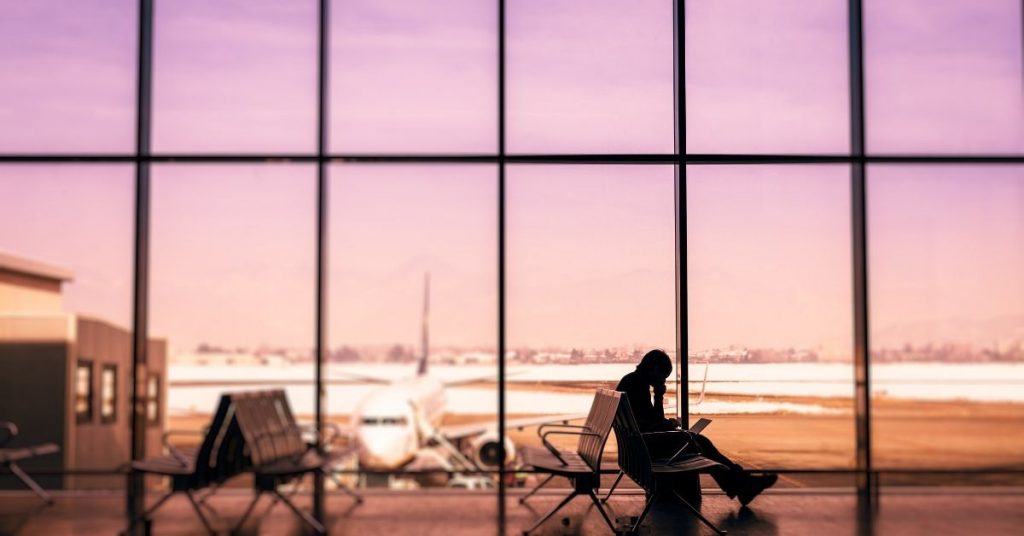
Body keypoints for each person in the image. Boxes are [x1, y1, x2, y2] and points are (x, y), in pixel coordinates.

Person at [616, 349, 777, 506]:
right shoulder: (638, 385)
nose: (663, 381)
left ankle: (742, 485)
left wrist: (661, 405)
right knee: (700, 443)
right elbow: (648, 424)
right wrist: (667, 423)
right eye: (663, 377)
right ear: (655, 369)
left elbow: (647, 421)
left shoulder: (632, 381)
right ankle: (743, 485)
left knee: (699, 441)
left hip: (639, 447)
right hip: (648, 448)